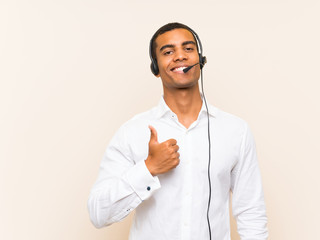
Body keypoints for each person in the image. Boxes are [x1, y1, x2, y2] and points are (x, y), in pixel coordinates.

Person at [88, 22, 268, 240]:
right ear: (155, 68)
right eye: (168, 52)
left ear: (200, 61)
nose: (180, 56)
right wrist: (149, 168)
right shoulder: (132, 132)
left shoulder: (236, 131)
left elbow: (251, 213)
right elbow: (98, 214)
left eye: (189, 48)